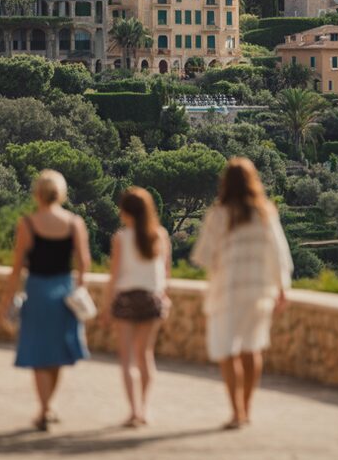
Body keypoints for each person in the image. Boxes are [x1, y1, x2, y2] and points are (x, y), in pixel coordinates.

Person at [191, 157, 293, 430]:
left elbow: (204, 256)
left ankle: (236, 411)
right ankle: (247, 408)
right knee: (252, 348)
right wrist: (282, 289)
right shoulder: (266, 213)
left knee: (228, 351)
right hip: (260, 291)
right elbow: (279, 254)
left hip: (228, 290)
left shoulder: (219, 214)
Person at [0, 169, 91, 432]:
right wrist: (80, 290)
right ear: (61, 193)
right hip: (64, 291)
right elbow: (84, 263)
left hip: (38, 291)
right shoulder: (75, 223)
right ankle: (48, 406)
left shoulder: (27, 224)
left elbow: (17, 267)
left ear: (36, 193)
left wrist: (7, 300)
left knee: (39, 354)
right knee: (56, 354)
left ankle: (44, 408)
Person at [103, 187, 171, 428]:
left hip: (127, 300)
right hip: (152, 300)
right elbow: (165, 274)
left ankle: (134, 411)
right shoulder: (161, 235)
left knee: (128, 359)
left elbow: (115, 276)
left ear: (125, 212)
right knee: (146, 356)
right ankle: (146, 408)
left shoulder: (121, 238)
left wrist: (106, 306)